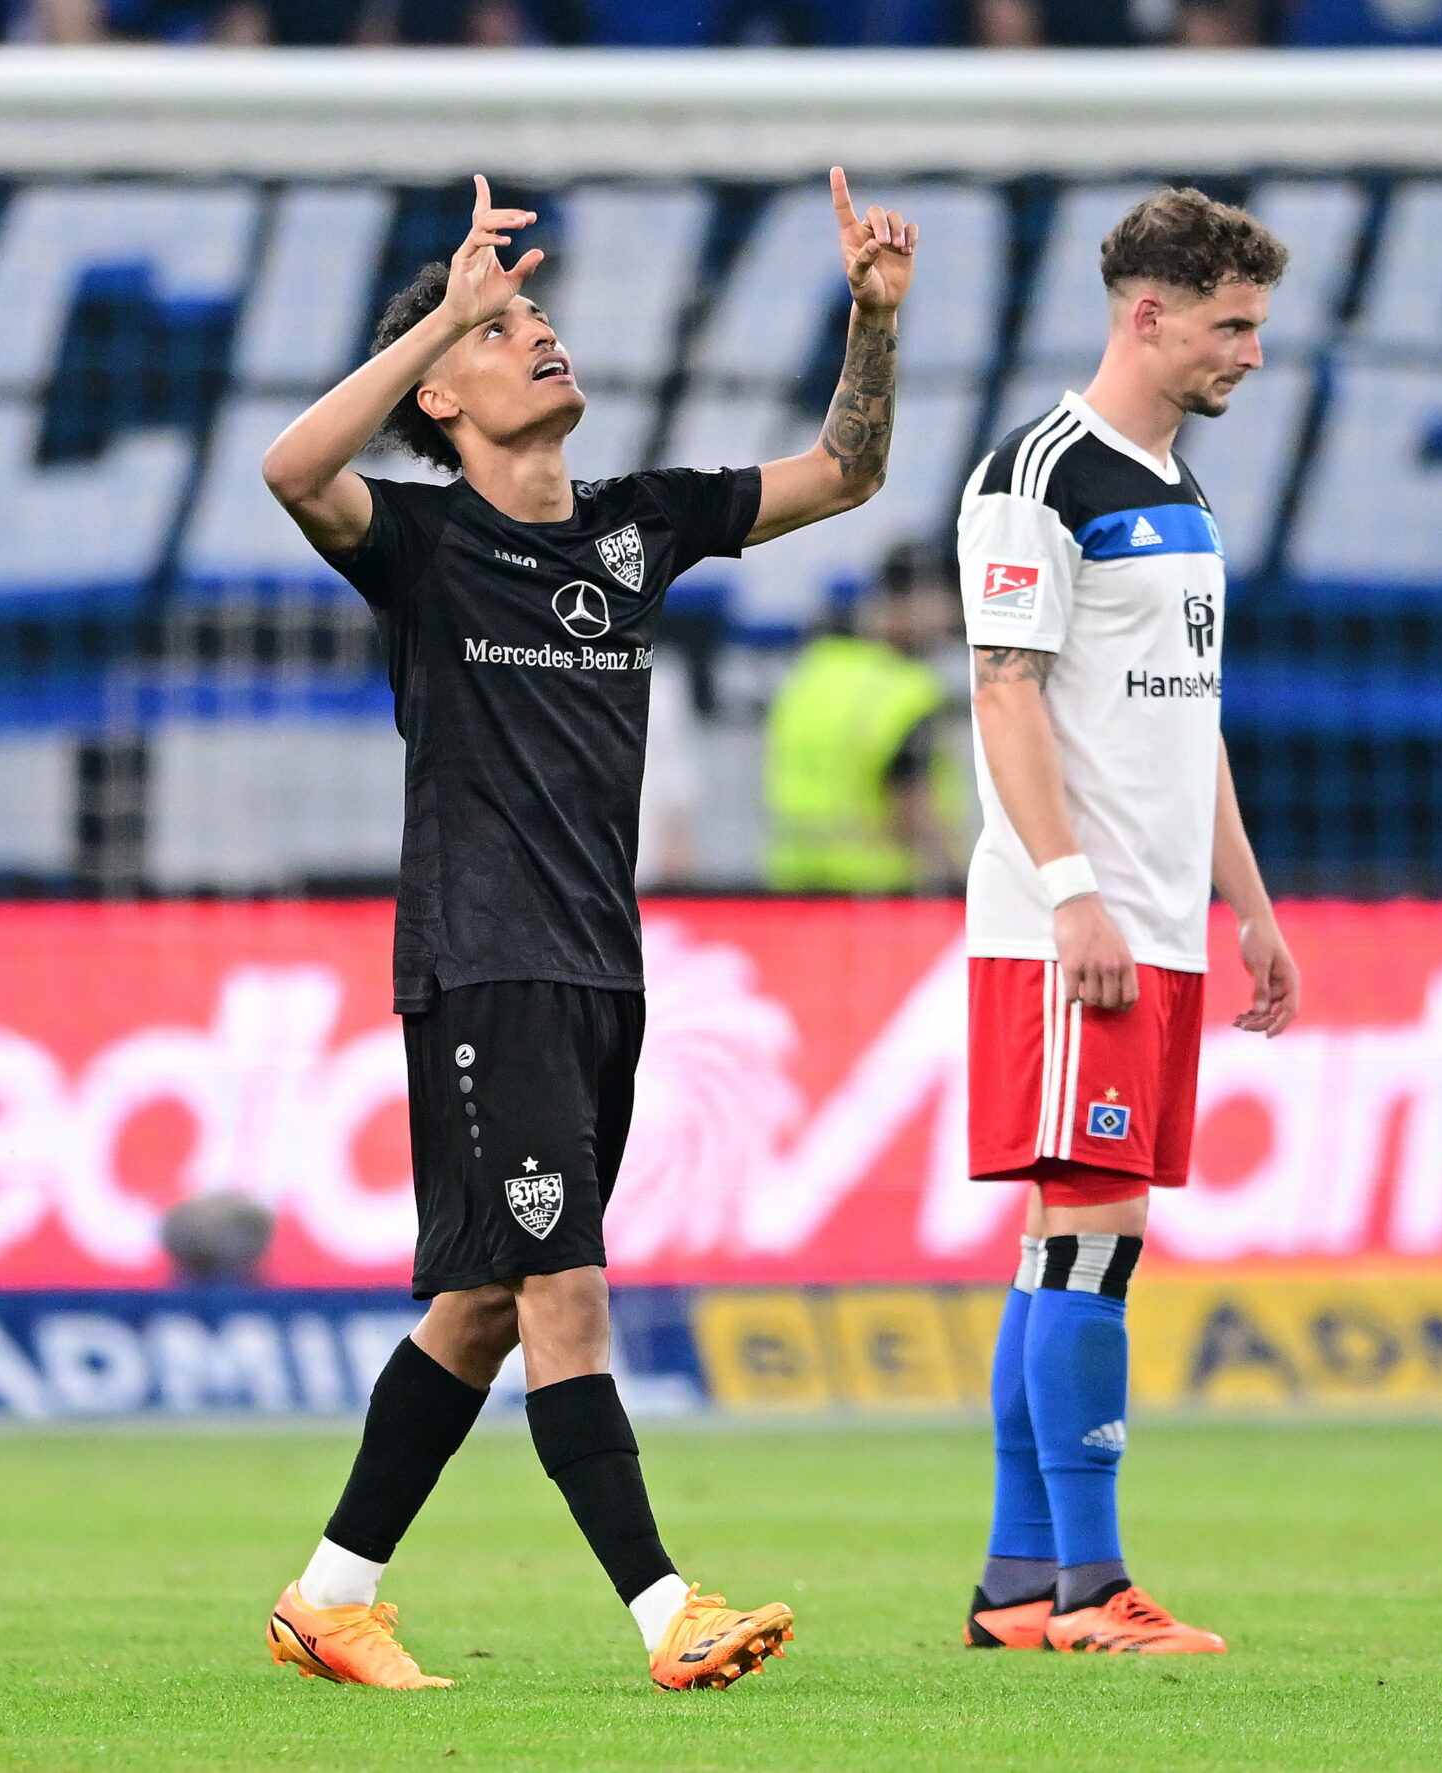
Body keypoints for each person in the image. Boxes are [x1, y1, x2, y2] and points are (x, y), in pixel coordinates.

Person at [256, 169, 914, 1690]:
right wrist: (441, 321)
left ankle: (329, 1593)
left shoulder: (642, 525)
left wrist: (872, 325)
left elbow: (847, 472)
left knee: (482, 1302)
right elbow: (294, 469)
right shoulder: (416, 546)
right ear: (441, 398)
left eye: (538, 314)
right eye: (503, 330)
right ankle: (666, 1611)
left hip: (603, 973)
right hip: (481, 965)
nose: (538, 334)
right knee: (566, 1288)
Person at [955, 188, 1299, 1657]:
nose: (1252, 356)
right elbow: (1004, 688)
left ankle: (1017, 1588)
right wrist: (1072, 890)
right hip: (1070, 929)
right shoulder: (1041, 471)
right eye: (1232, 326)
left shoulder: (1179, 485)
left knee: (1072, 1243)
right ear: (1147, 315)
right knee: (1095, 1231)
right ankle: (1094, 1590)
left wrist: (1252, 907)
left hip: (1154, 925)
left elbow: (1188, 720)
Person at [765, 538, 970, 893]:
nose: (949, 618)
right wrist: (959, 881)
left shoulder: (813, 669)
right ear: (912, 600)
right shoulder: (908, 690)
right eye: (943, 601)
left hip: (790, 891)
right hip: (876, 898)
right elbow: (912, 806)